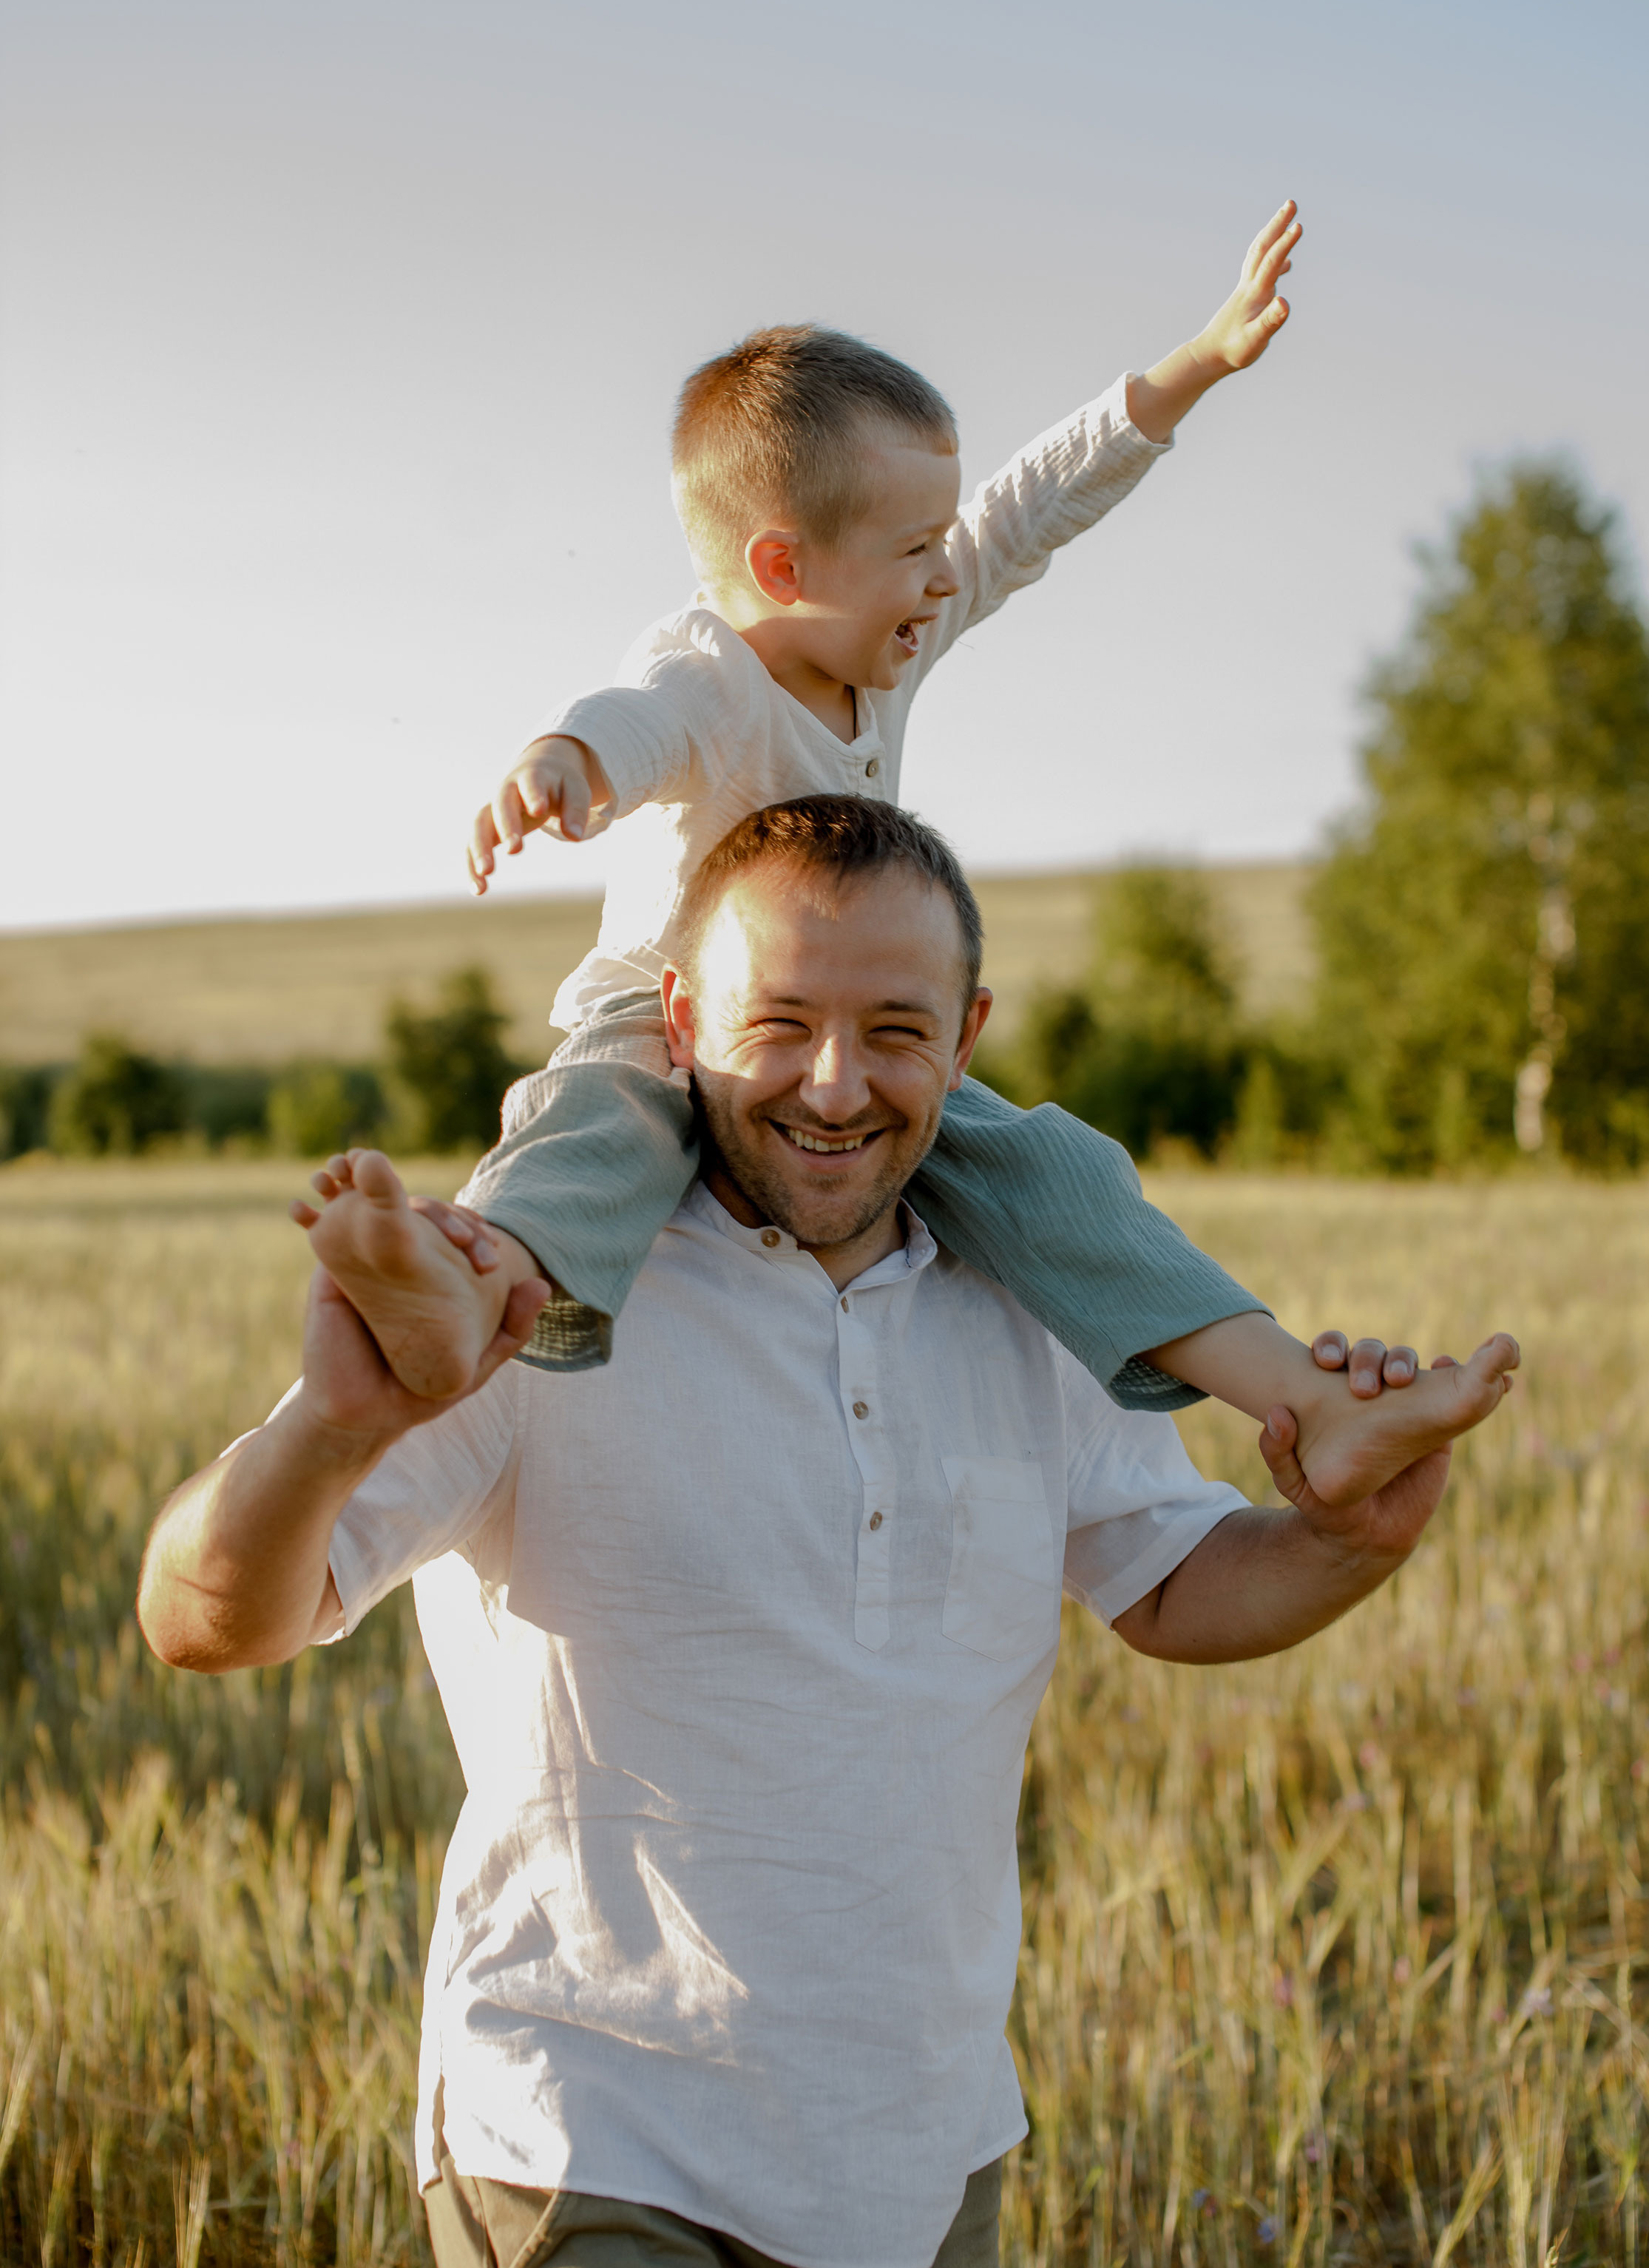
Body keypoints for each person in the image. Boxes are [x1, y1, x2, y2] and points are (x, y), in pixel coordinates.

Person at [142, 797, 1520, 2268]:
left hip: (922, 2161)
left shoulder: (1030, 1299)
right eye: (780, 1024)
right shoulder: (535, 1298)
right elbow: (202, 1618)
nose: (837, 1083)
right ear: (678, 1023)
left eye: (895, 1032)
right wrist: (333, 1429)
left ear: (970, 1038)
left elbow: (1171, 1584)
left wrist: (1354, 1542)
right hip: (596, 2150)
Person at [297, 202, 1469, 1512]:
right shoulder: (710, 672)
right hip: (666, 1017)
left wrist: (1193, 366)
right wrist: (566, 762)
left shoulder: (884, 639)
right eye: (916, 551)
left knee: (1054, 1174)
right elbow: (638, 718)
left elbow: (1030, 510)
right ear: (784, 566)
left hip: (845, 1023)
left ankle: (1310, 1402)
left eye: (938, 544)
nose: (944, 576)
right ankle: (470, 1301)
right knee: (592, 1142)